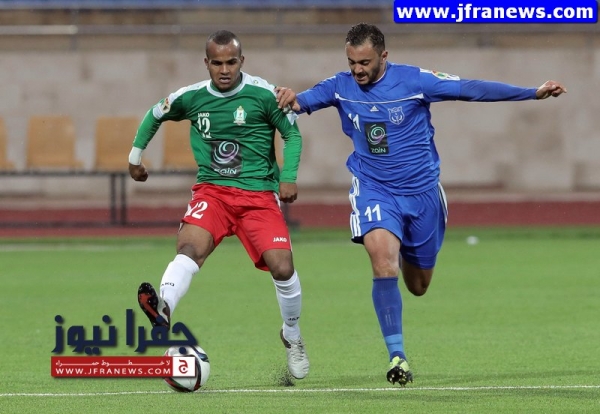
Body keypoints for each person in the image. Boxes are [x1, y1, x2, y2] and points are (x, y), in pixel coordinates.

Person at [275, 22, 566, 386]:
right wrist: (287, 96)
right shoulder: (339, 86)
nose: (357, 70)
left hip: (423, 194)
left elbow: (470, 89)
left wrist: (531, 93)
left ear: (384, 56)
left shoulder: (415, 81)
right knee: (383, 263)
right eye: (351, 62)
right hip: (374, 189)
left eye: (364, 62)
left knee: (418, 285)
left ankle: (407, 251)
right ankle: (397, 356)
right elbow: (297, 103)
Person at [128, 30, 309, 380]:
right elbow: (155, 114)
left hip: (258, 195)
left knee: (283, 268)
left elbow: (292, 134)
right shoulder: (192, 97)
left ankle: (292, 334)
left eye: (231, 62)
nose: (224, 70)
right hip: (213, 193)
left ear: (242, 61)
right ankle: (164, 309)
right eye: (217, 63)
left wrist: (288, 176)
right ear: (206, 63)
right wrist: (135, 159)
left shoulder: (264, 94)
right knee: (189, 249)